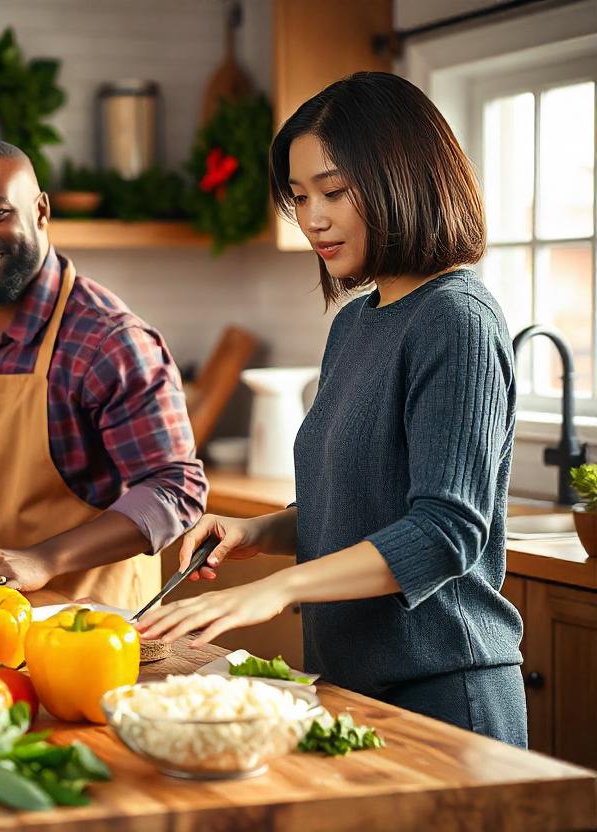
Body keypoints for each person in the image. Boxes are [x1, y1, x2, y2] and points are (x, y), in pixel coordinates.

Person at [139, 72, 527, 746]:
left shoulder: (457, 319)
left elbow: (444, 532)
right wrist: (258, 533)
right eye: (299, 197)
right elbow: (362, 501)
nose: (313, 217)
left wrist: (280, 590)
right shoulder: (356, 323)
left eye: (334, 191)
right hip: (349, 685)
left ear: (403, 176)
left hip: (445, 689)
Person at [0, 139, 208, 610]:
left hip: (98, 628)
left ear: (40, 211)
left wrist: (43, 560)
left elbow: (175, 490)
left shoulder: (109, 341)